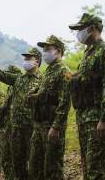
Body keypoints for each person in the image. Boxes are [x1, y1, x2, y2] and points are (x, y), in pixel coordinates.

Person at [0, 48, 42, 180]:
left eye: (29, 58)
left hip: (32, 129)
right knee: (17, 165)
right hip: (15, 130)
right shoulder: (18, 79)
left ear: (37, 61)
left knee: (33, 165)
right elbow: (0, 74)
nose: (26, 61)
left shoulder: (42, 80)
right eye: (25, 58)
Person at [68, 13, 105, 180]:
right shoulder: (88, 53)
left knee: (99, 170)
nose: (79, 33)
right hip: (85, 117)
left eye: (81, 29)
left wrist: (104, 119)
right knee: (89, 167)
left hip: (99, 117)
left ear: (91, 29)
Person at [28, 35, 71, 180]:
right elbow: (44, 95)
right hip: (39, 125)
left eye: (48, 49)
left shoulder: (64, 71)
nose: (45, 52)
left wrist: (56, 127)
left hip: (51, 126)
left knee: (52, 168)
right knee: (35, 167)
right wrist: (35, 94)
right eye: (44, 49)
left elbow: (65, 102)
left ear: (58, 51)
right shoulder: (49, 71)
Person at [0, 65, 22, 180]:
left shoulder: (19, 87)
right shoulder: (9, 89)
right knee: (6, 157)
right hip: (8, 127)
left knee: (17, 157)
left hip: (16, 127)